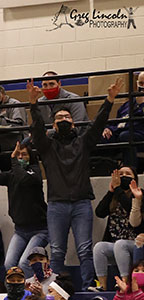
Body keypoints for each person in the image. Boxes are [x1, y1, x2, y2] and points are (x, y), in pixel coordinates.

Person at [28, 77, 121, 287]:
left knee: (85, 249)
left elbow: (97, 125)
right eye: (59, 117)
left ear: (73, 122)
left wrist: (109, 100)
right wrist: (33, 104)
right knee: (58, 251)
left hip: (81, 203)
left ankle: (88, 284)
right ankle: (58, 288)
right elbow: (36, 129)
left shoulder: (83, 142)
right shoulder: (47, 146)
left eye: (67, 117)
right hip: (57, 204)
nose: (63, 120)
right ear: (53, 124)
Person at [0, 139, 50, 275]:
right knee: (9, 264)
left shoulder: (35, 173)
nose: (20, 157)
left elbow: (23, 179)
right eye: (18, 155)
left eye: (24, 154)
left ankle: (30, 293)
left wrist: (13, 160)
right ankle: (16, 292)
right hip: (20, 230)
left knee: (24, 263)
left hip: (40, 230)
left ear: (30, 157)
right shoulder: (12, 175)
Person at [94, 167, 143, 290]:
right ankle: (102, 286)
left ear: (134, 179)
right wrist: (110, 192)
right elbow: (99, 212)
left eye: (128, 174)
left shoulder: (139, 194)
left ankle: (125, 283)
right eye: (120, 174)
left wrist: (117, 189)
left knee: (120, 244)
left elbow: (130, 209)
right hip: (116, 245)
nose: (123, 176)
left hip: (136, 243)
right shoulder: (115, 196)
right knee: (99, 247)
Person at [102, 70, 144, 171]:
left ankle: (130, 173)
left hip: (139, 135)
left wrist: (142, 105)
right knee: (103, 137)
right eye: (141, 83)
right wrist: (108, 128)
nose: (143, 87)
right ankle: (104, 170)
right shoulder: (128, 104)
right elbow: (118, 122)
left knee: (125, 136)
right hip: (122, 132)